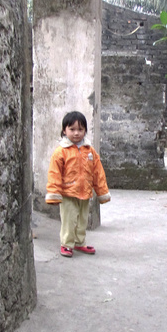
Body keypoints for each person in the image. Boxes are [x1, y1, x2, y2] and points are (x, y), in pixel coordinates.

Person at [46, 110, 111, 258]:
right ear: (64, 130)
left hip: (85, 193)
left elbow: (98, 173)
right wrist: (54, 193)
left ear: (85, 131)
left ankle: (79, 243)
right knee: (69, 220)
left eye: (80, 129)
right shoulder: (60, 152)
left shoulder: (90, 151)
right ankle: (66, 244)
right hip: (68, 193)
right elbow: (54, 173)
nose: (76, 133)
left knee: (82, 220)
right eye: (72, 129)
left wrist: (102, 192)